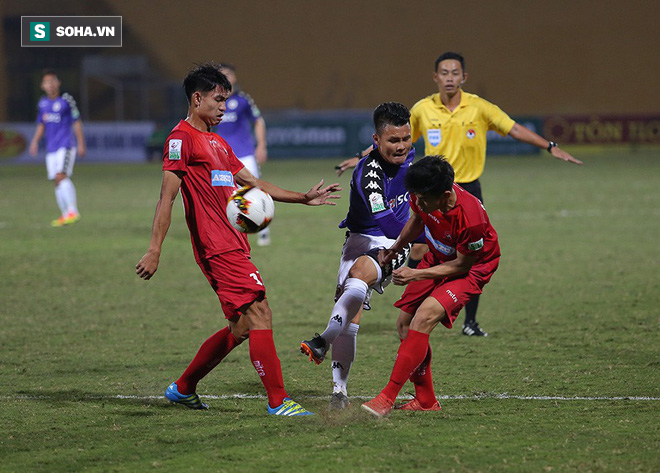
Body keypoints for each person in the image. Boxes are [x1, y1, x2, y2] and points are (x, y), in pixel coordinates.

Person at [135, 63, 341, 416]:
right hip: (216, 247)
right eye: (218, 100)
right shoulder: (180, 140)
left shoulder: (217, 142)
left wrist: (302, 198)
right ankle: (278, 401)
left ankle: (183, 388)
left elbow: (255, 185)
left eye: (226, 101)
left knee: (242, 325)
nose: (223, 108)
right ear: (197, 98)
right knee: (261, 312)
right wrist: (155, 250)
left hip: (234, 242)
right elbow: (166, 198)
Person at [336, 52, 582, 337]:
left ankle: (470, 321)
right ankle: (413, 307)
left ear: (463, 77)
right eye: (444, 72)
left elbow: (512, 128)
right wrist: (360, 158)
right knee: (419, 248)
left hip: (466, 191)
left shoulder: (479, 107)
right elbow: (395, 139)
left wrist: (549, 146)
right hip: (431, 190)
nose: (450, 77)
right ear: (436, 77)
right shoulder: (423, 109)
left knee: (469, 252)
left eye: (455, 73)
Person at [299, 102, 422, 409]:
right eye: (393, 141)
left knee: (360, 277)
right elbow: (388, 221)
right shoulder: (368, 175)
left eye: (406, 138)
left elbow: (395, 231)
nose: (402, 146)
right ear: (376, 140)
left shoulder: (409, 154)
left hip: (395, 241)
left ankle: (322, 340)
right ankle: (339, 391)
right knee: (350, 314)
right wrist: (430, 234)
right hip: (366, 236)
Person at [361, 156, 501, 417]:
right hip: (438, 255)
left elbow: (462, 266)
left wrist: (416, 274)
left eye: (424, 199)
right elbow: (417, 218)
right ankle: (426, 400)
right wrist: (395, 248)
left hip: (472, 268)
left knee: (422, 318)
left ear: (446, 195)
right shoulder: (423, 194)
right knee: (404, 325)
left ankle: (386, 398)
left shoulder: (471, 219)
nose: (420, 203)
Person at [214, 63, 271, 246]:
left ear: (234, 78)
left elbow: (258, 121)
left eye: (228, 74)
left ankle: (263, 230)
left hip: (245, 154)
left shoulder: (243, 100)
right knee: (222, 193)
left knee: (255, 190)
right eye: (222, 74)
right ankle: (228, 231)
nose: (226, 77)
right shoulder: (212, 101)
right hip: (220, 156)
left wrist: (261, 145)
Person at [29, 69, 86, 227]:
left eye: (53, 80)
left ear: (58, 83)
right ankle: (64, 215)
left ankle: (73, 211)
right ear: (42, 86)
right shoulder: (43, 103)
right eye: (47, 82)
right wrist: (34, 141)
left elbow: (77, 121)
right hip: (51, 148)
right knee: (56, 180)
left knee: (61, 176)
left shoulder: (66, 100)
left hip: (65, 145)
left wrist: (81, 143)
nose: (50, 84)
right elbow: (41, 124)